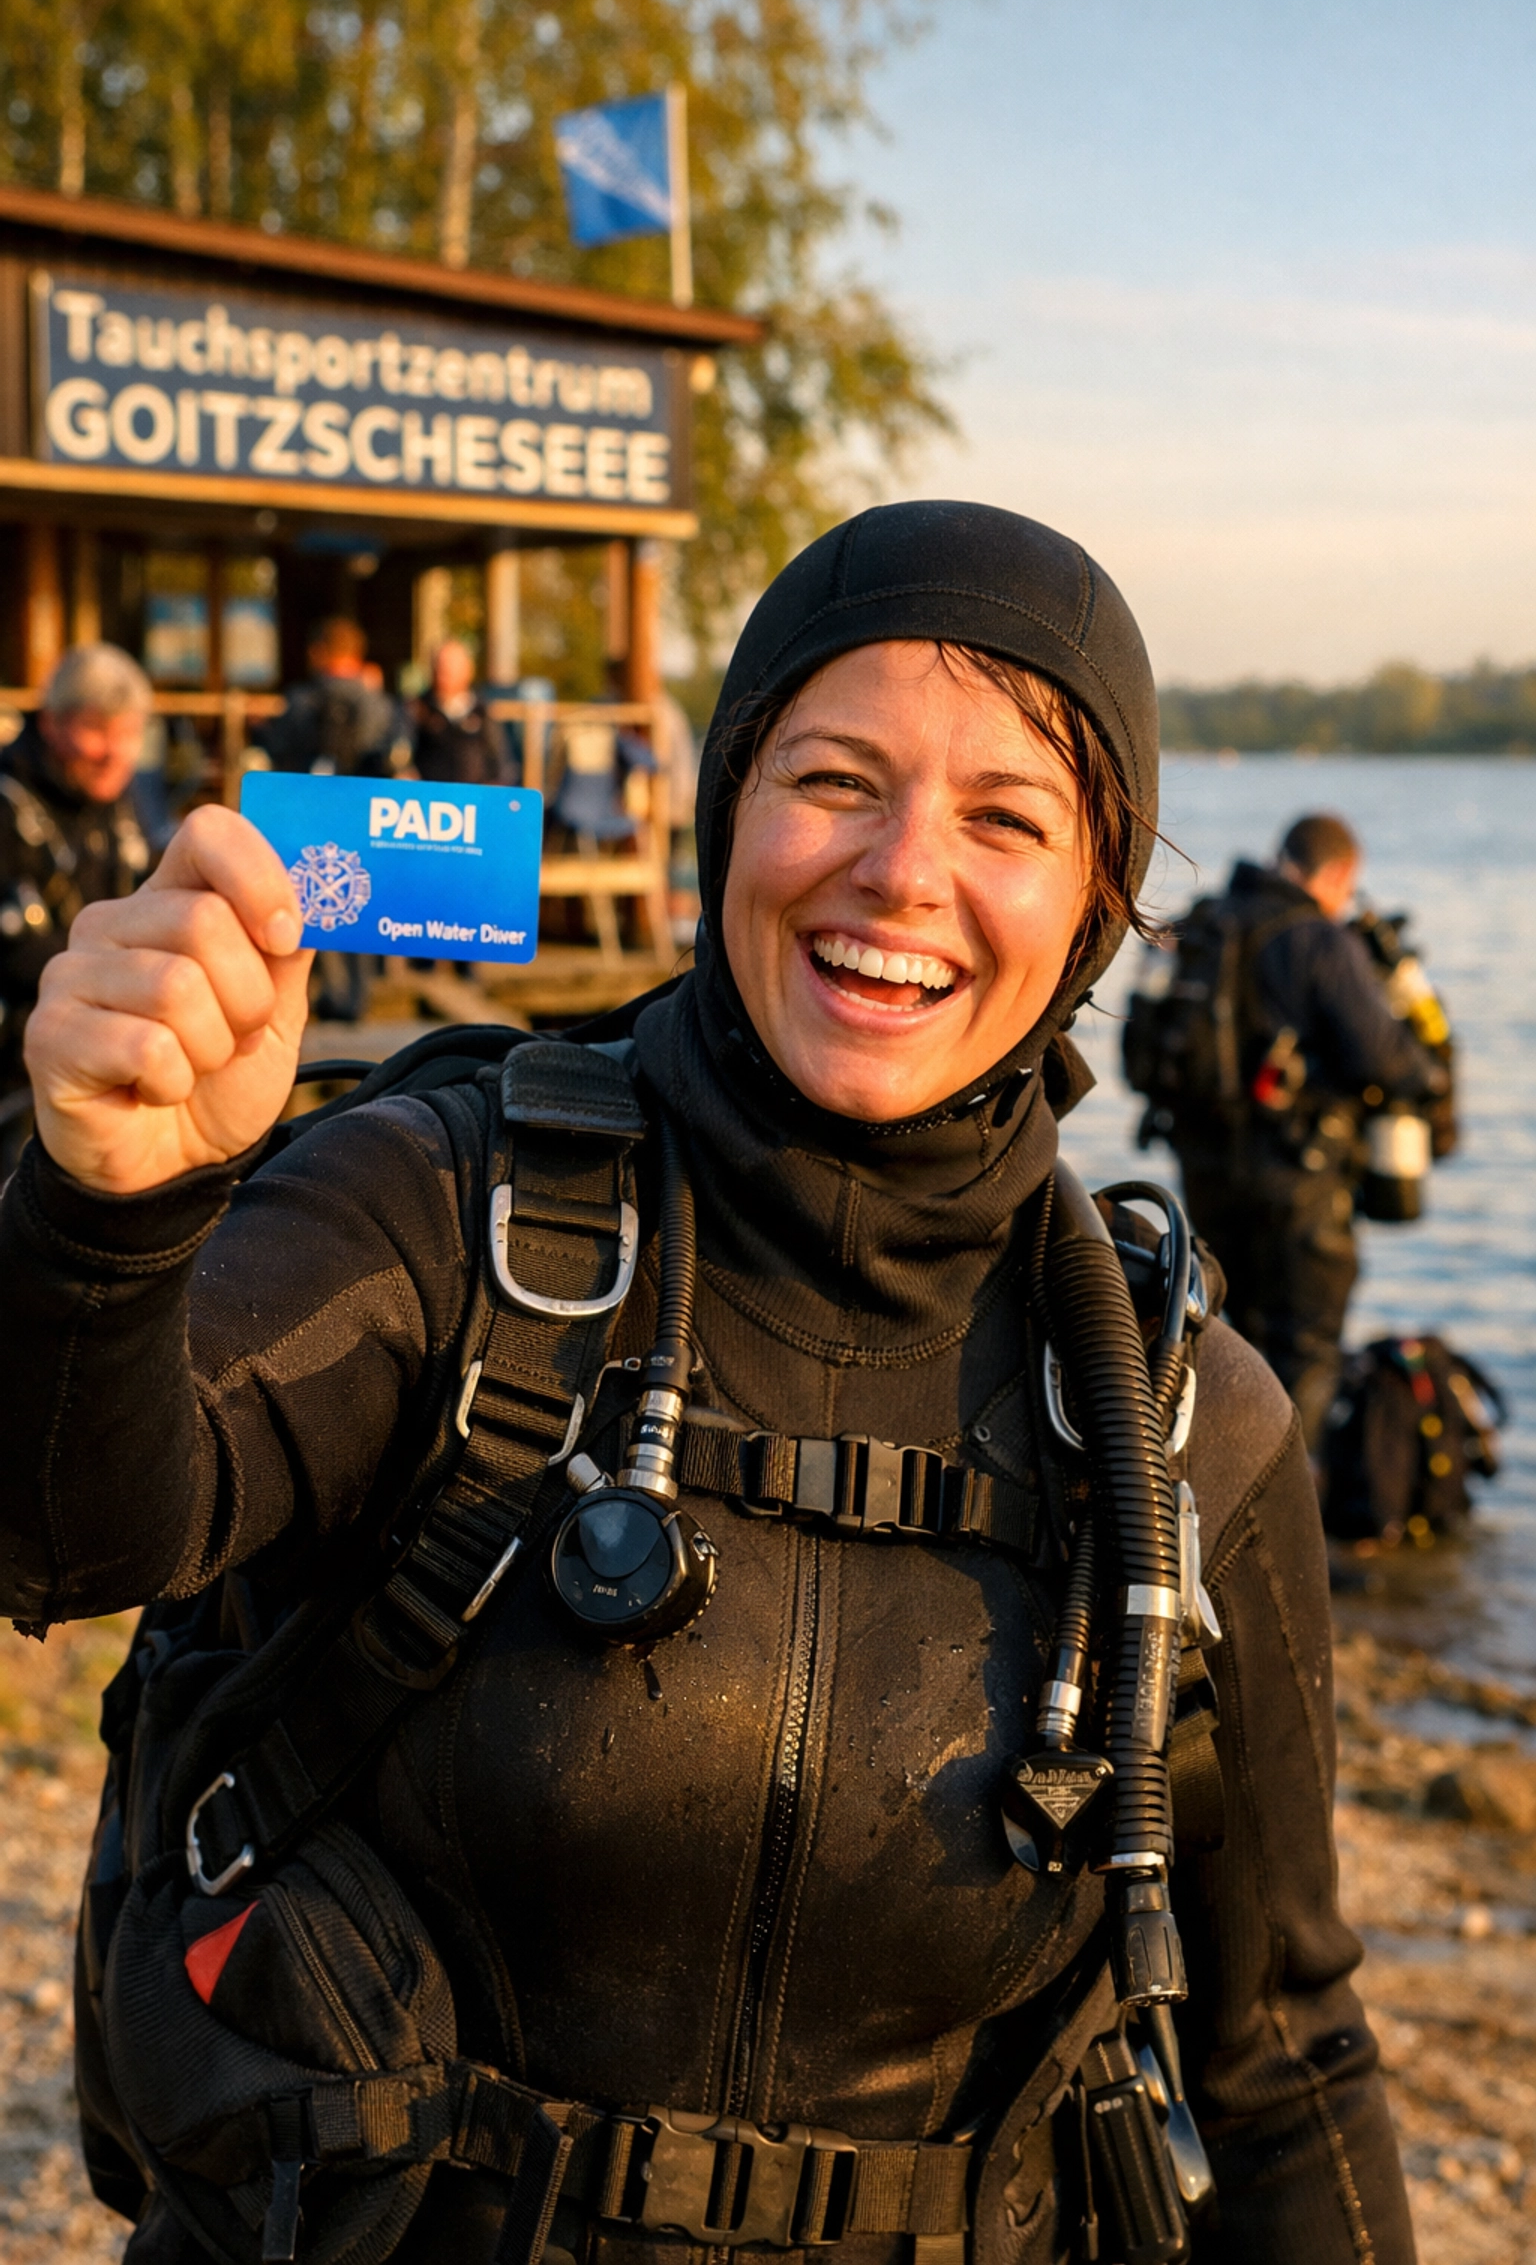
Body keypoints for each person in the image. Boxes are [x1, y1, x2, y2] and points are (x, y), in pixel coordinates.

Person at [4, 504, 1413, 2265]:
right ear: (724, 809)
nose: (903, 870)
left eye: (1005, 817)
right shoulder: (447, 1204)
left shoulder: (1181, 1418)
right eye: (834, 778)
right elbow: (55, 1534)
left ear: (1096, 908)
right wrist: (108, 1211)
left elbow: (1283, 2053)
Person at [1127, 812, 1446, 1455]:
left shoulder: (1202, 925)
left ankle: (1211, 1500)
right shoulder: (1317, 941)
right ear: (1339, 876)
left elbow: (1145, 1058)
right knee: (1305, 1356)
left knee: (1222, 1345)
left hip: (1206, 1177)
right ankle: (1297, 1527)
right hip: (1300, 1184)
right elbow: (1391, 1063)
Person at [0, 641, 151, 1172]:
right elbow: (14, 953)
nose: (114, 751)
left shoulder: (122, 806)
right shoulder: (8, 804)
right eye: (96, 730)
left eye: (129, 732)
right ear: (50, 724)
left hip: (111, 1056)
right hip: (19, 1074)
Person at [253, 616, 407, 1020]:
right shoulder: (382, 705)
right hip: (368, 818)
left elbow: (277, 751)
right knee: (360, 899)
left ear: (320, 652)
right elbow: (397, 754)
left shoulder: (301, 700)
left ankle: (332, 995)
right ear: (357, 654)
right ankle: (360, 996)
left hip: (311, 815)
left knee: (315, 903)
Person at [408, 638, 513, 784]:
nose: (445, 672)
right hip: (428, 801)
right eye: (440, 665)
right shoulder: (417, 711)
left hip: (474, 801)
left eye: (452, 666)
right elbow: (401, 757)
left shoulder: (483, 714)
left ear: (468, 669)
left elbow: (502, 765)